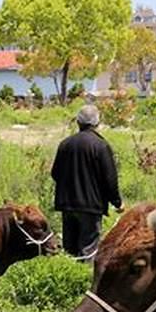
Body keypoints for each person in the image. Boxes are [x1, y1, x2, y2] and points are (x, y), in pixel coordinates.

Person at [51, 104, 124, 260]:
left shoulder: (65, 144)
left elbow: (55, 173)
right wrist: (117, 203)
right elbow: (109, 179)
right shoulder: (101, 146)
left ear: (78, 122)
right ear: (97, 123)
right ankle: (85, 282)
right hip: (91, 207)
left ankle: (68, 279)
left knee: (70, 249)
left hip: (67, 205)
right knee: (89, 251)